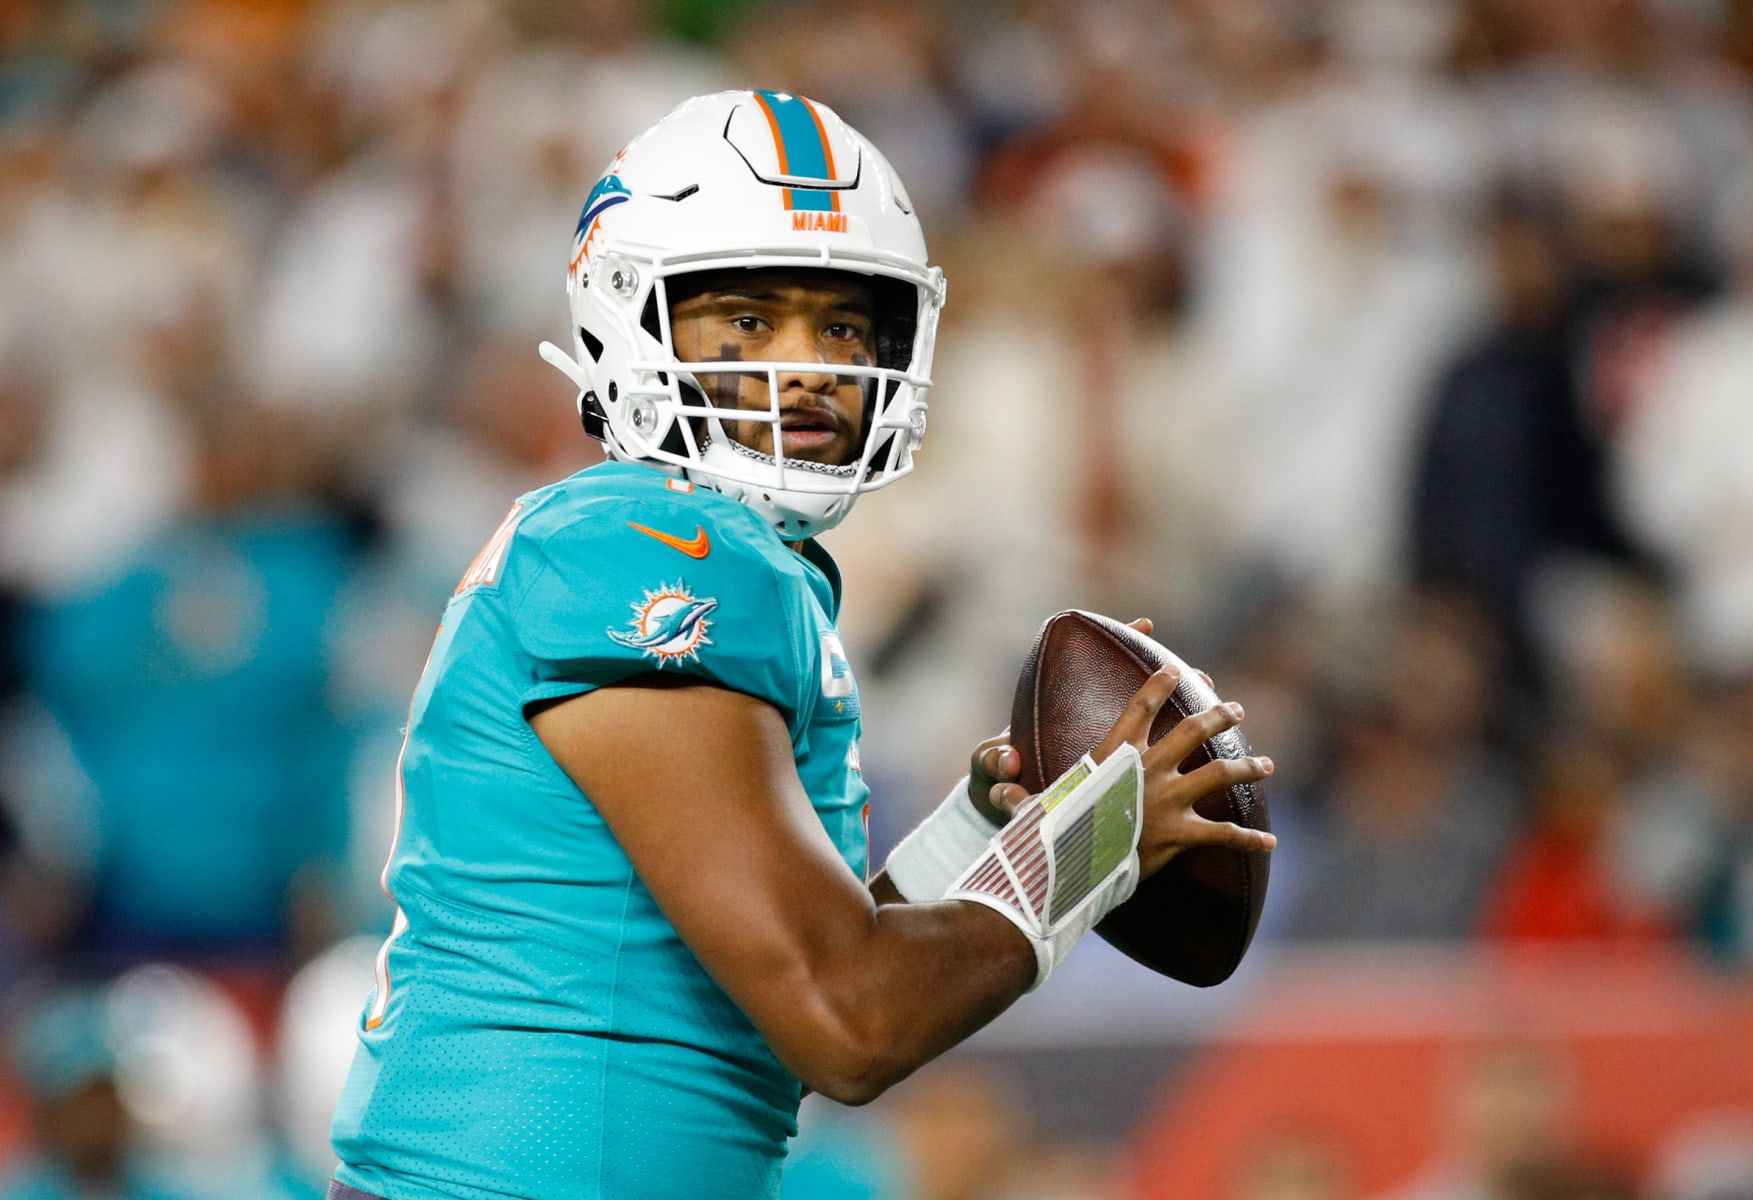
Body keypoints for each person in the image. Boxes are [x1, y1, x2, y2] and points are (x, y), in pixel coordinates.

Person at [326, 90, 1275, 1200]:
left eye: (841, 324)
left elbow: (775, 1000)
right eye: (747, 319)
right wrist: (1100, 833)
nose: (811, 362)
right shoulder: (644, 549)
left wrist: (980, 836)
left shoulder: (711, 557)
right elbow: (844, 1019)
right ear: (630, 318)